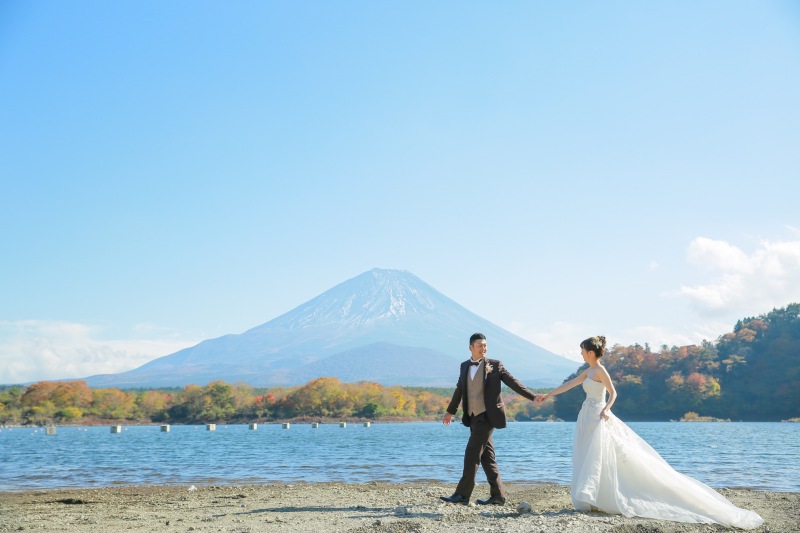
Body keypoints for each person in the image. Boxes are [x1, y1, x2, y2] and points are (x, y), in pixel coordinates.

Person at [541, 335, 764, 529]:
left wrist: (607, 409)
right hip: (586, 417)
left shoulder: (600, 370)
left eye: (582, 350)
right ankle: (593, 497)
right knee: (589, 455)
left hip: (599, 416)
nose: (580, 353)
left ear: (590, 352)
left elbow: (613, 393)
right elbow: (569, 384)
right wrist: (547, 395)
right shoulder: (588, 371)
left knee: (601, 455)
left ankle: (604, 495)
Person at [440, 332, 545, 506]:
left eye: (485, 345)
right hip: (472, 416)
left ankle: (462, 494)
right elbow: (460, 389)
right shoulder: (464, 366)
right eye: (480, 345)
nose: (483, 348)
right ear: (471, 348)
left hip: (488, 416)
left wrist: (532, 397)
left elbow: (512, 382)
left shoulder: (495, 365)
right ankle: (498, 496)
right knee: (487, 457)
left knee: (472, 453)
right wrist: (450, 411)